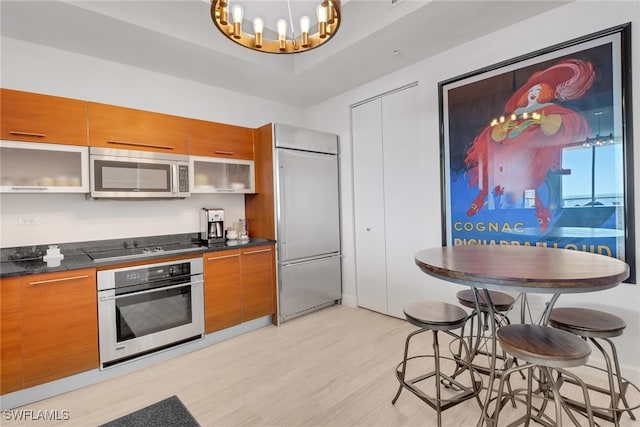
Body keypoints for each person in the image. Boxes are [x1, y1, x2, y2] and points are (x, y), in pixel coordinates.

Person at [464, 59, 595, 232]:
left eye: (538, 90)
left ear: (545, 93)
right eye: (531, 90)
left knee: (530, 186)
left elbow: (558, 126)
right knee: (492, 176)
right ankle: (479, 200)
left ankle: (541, 215)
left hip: (529, 155)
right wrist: (502, 129)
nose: (534, 93)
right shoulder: (516, 115)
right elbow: (495, 135)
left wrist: (540, 121)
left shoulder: (549, 110)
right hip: (507, 153)